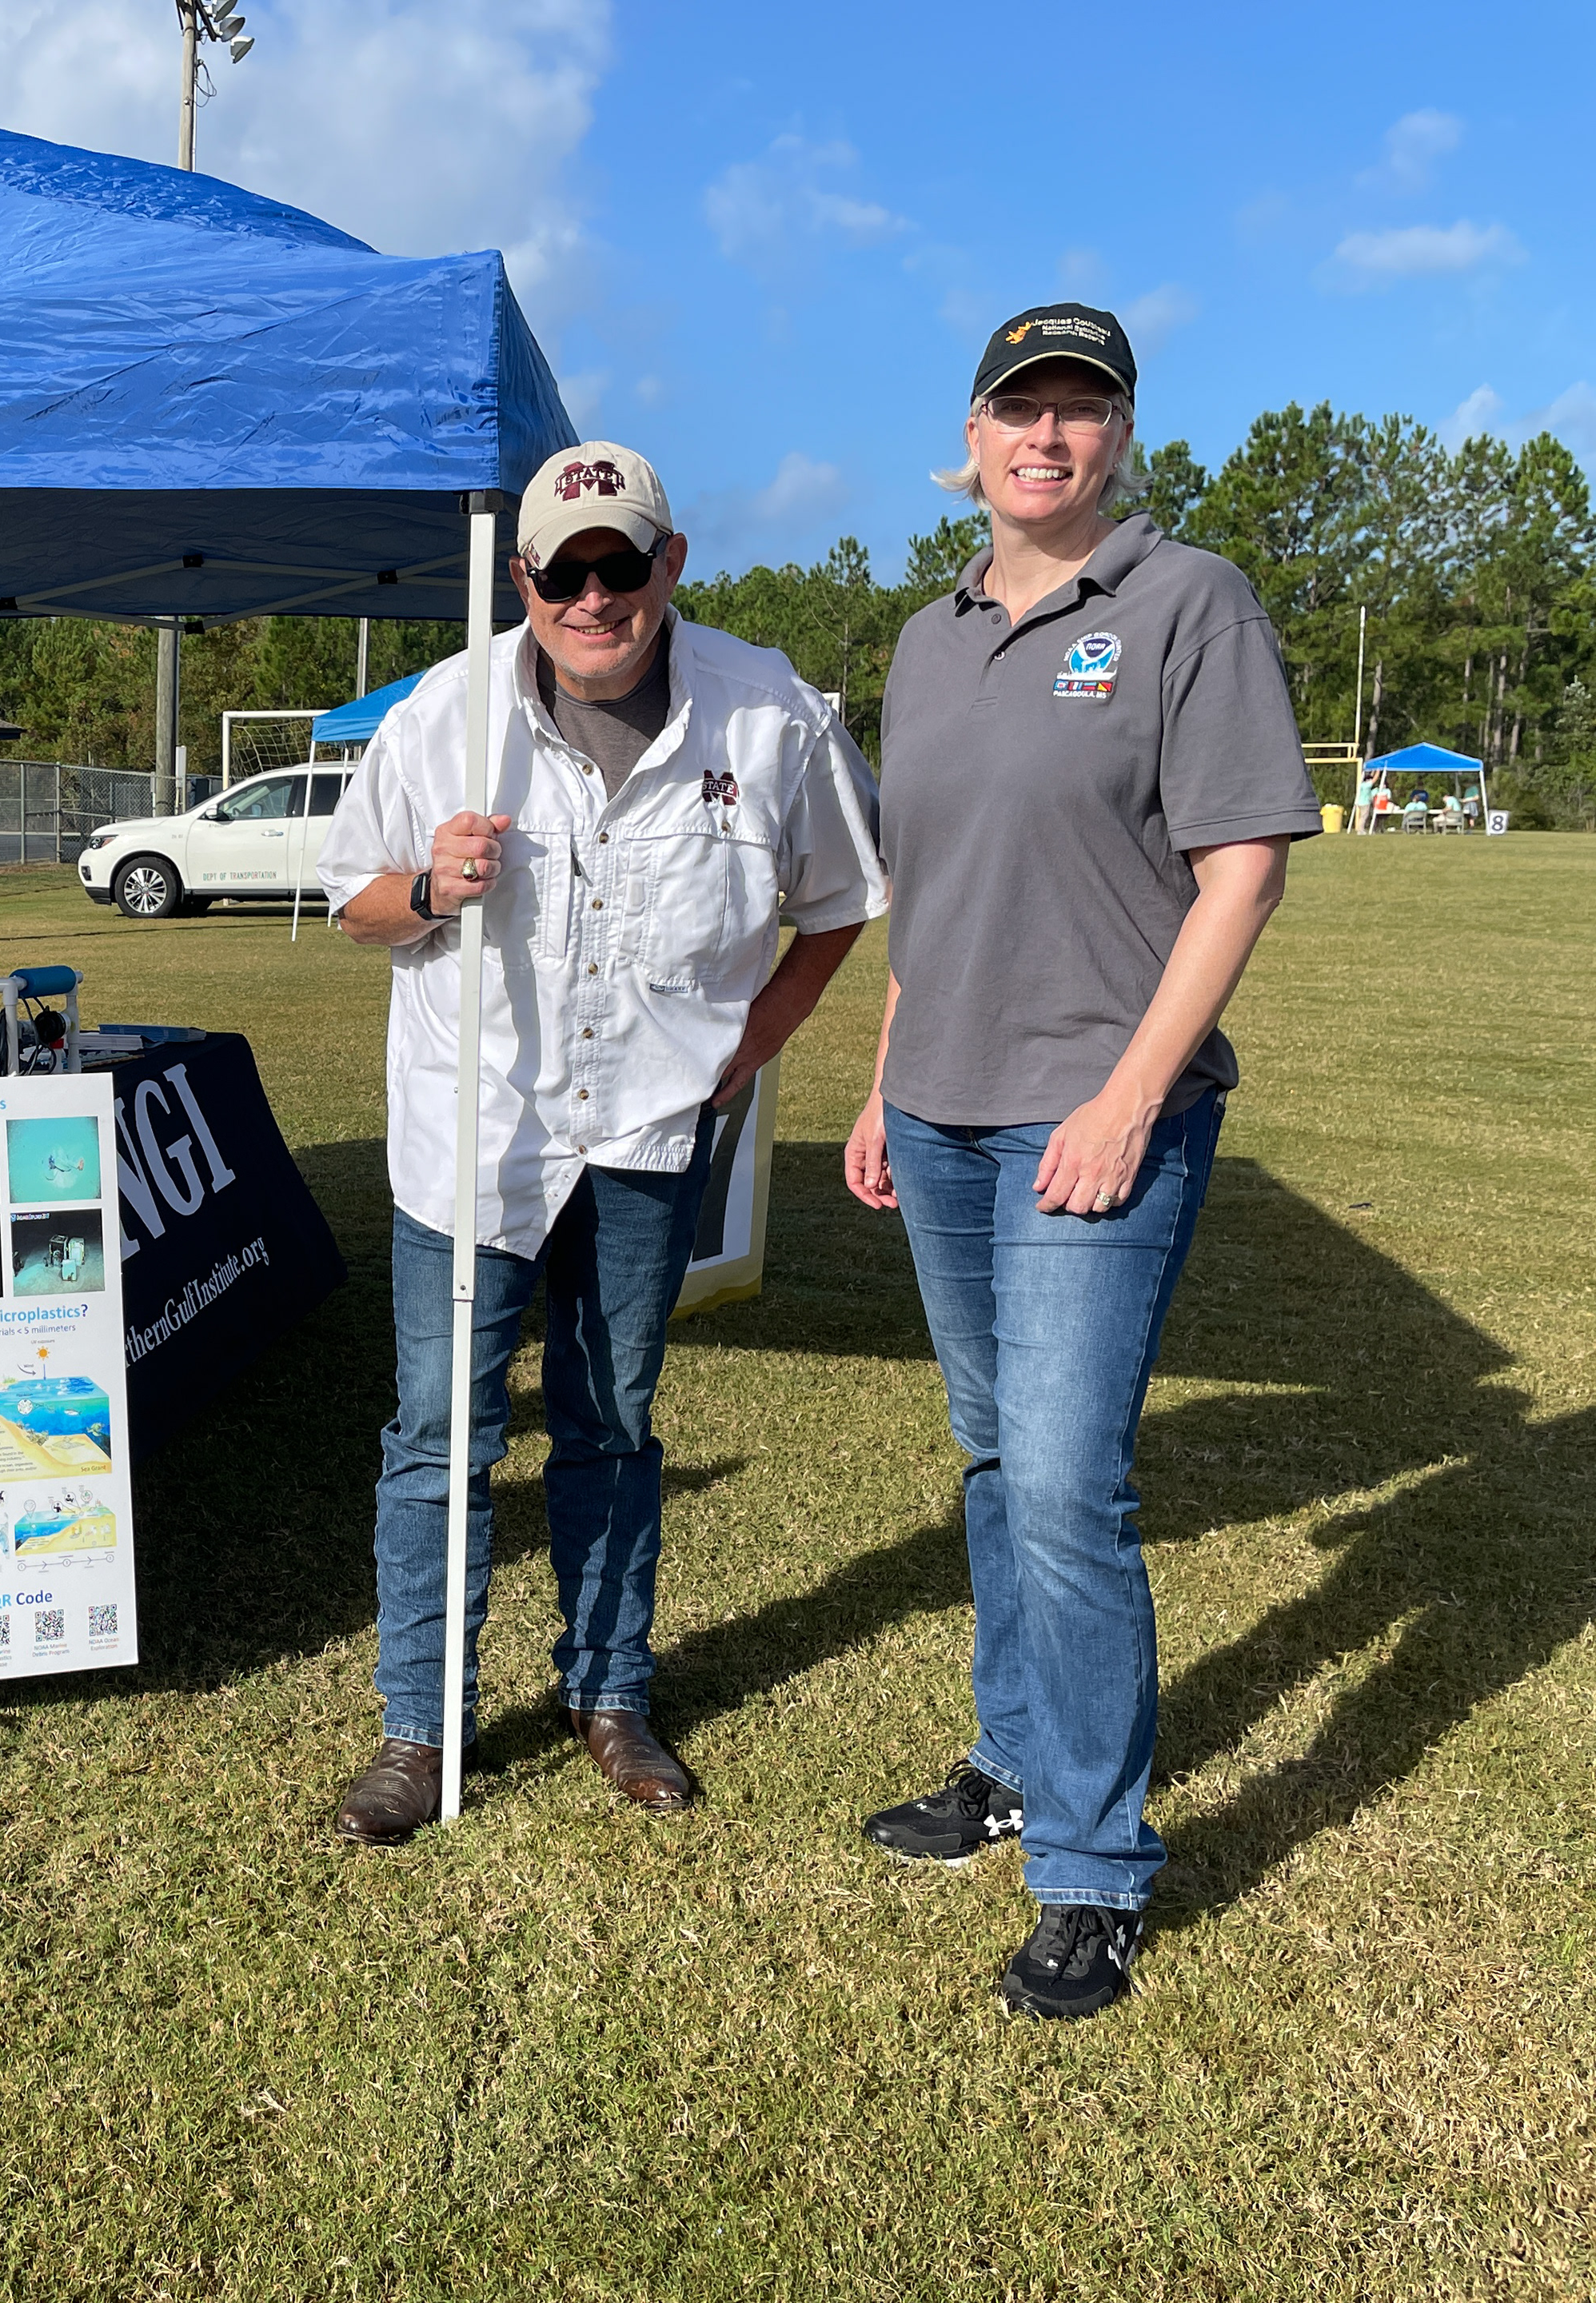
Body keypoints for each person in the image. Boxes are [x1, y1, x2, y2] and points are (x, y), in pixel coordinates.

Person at [844, 305, 1321, 2018]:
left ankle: (1097, 1863)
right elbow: (932, 894)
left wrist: (1134, 1092)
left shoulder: (1187, 603)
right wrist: (882, 1081)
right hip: (940, 1110)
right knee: (991, 1461)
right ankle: (1014, 1754)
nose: (1047, 436)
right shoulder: (925, 637)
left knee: (1064, 1481)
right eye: (1018, 408)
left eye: (1081, 410)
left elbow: (1244, 868)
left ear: (1118, 441)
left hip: (1098, 1113)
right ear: (969, 439)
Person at [317, 441, 887, 1845]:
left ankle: (610, 1692)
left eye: (617, 564)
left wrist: (743, 1053)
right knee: (441, 1437)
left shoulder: (771, 716)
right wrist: (430, 888)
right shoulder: (443, 717)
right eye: (561, 572)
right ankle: (419, 1722)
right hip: (472, 1140)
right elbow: (353, 905)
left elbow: (841, 902)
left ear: (667, 565)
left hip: (643, 1136)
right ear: (522, 580)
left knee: (614, 1427)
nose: (591, 595)